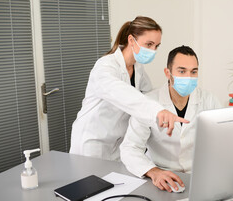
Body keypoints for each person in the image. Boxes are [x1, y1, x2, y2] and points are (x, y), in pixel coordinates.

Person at [70, 16, 189, 161]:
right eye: (149, 44)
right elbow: (124, 95)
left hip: (119, 142)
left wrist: (176, 94)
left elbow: (149, 96)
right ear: (131, 40)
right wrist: (157, 111)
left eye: (156, 46)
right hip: (93, 142)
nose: (153, 50)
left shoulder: (138, 69)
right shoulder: (105, 66)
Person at [120, 46, 222, 192]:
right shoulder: (148, 102)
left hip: (199, 176)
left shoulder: (209, 100)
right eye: (182, 71)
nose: (189, 77)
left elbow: (222, 140)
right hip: (163, 177)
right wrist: (153, 172)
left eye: (194, 72)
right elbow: (130, 148)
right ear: (168, 73)